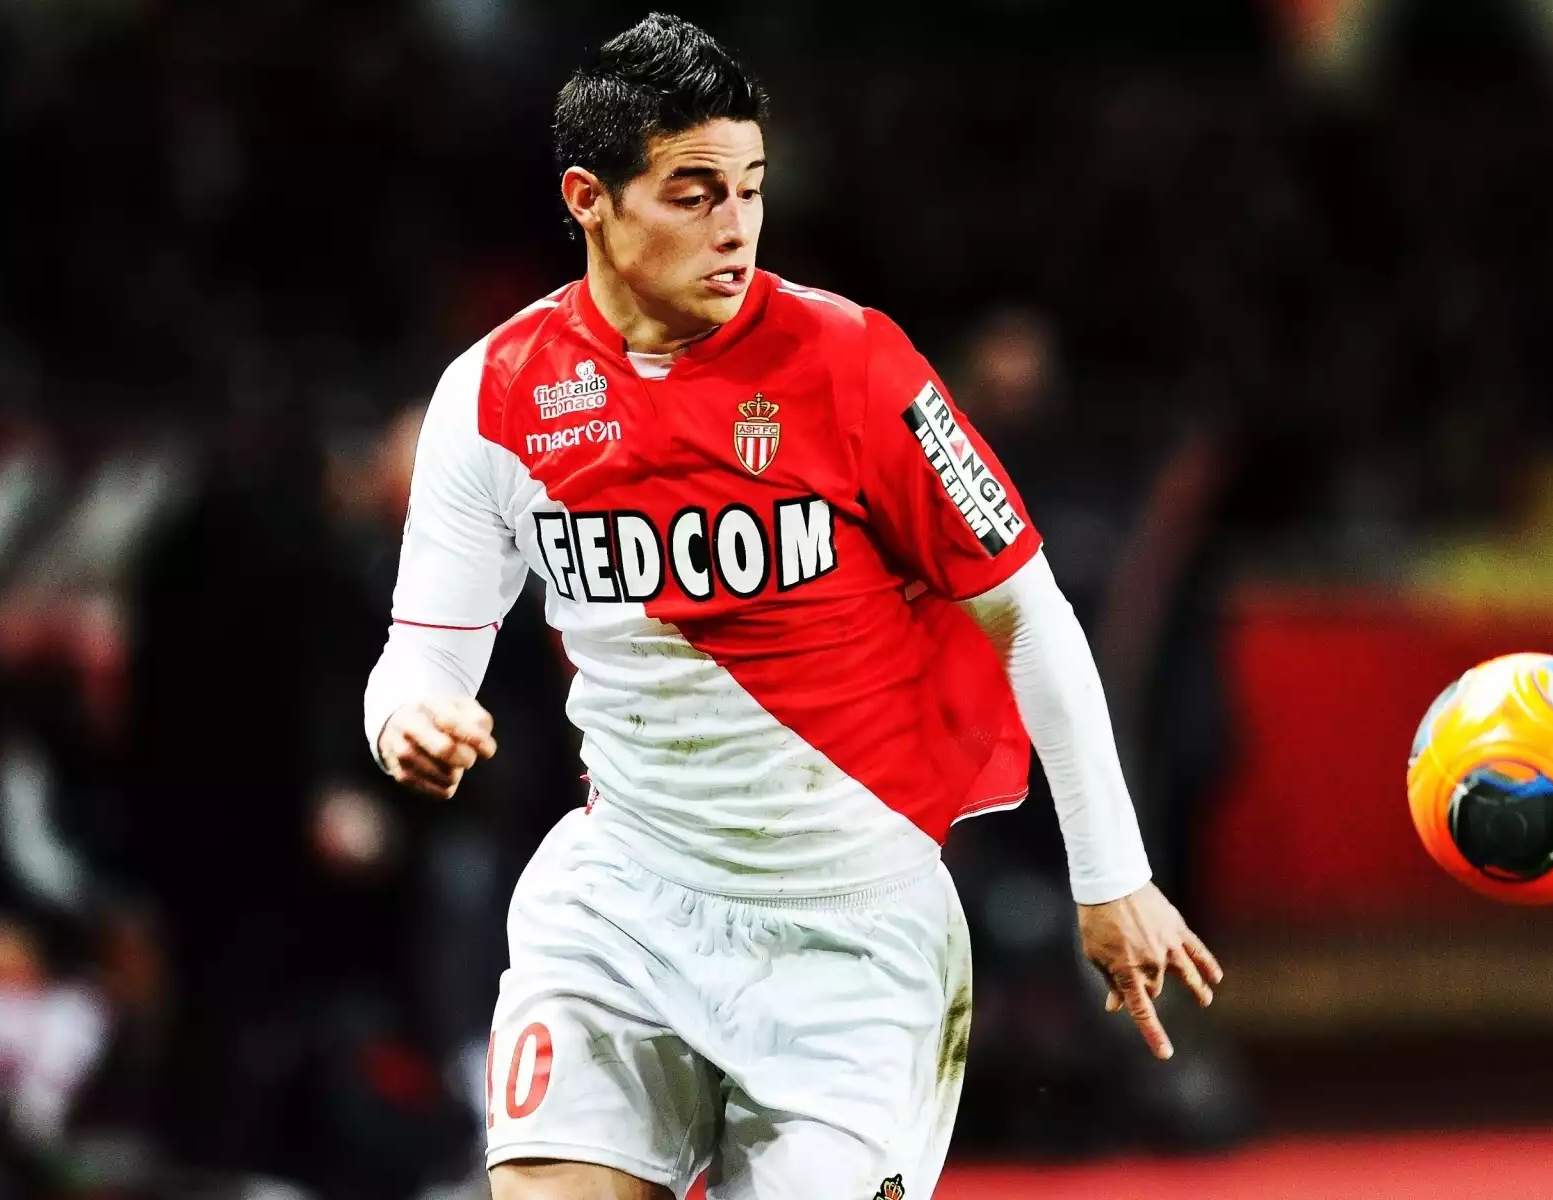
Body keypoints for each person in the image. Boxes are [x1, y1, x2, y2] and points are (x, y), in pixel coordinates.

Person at [362, 14, 1221, 1199]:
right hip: (623, 908)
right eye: (693, 193)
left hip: (850, 935)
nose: (735, 227)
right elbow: (420, 655)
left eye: (751, 189)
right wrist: (406, 719)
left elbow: (1027, 612)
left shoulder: (854, 363)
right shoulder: (494, 396)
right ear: (588, 199)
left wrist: (1110, 872)